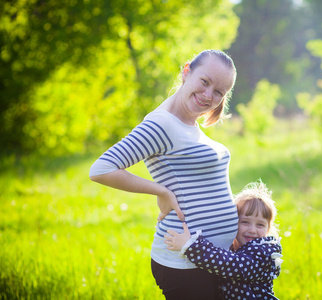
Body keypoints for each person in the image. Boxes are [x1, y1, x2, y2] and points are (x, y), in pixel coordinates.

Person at [89, 50, 239, 300]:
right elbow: (102, 169)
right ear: (186, 71)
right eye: (205, 82)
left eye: (218, 92)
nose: (208, 95)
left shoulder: (188, 123)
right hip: (184, 262)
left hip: (209, 257)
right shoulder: (162, 124)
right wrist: (160, 191)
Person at [165, 181, 283, 300]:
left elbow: (230, 264)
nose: (252, 230)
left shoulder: (264, 255)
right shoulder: (233, 247)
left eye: (260, 225)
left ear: (268, 228)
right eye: (245, 222)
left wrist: (191, 246)